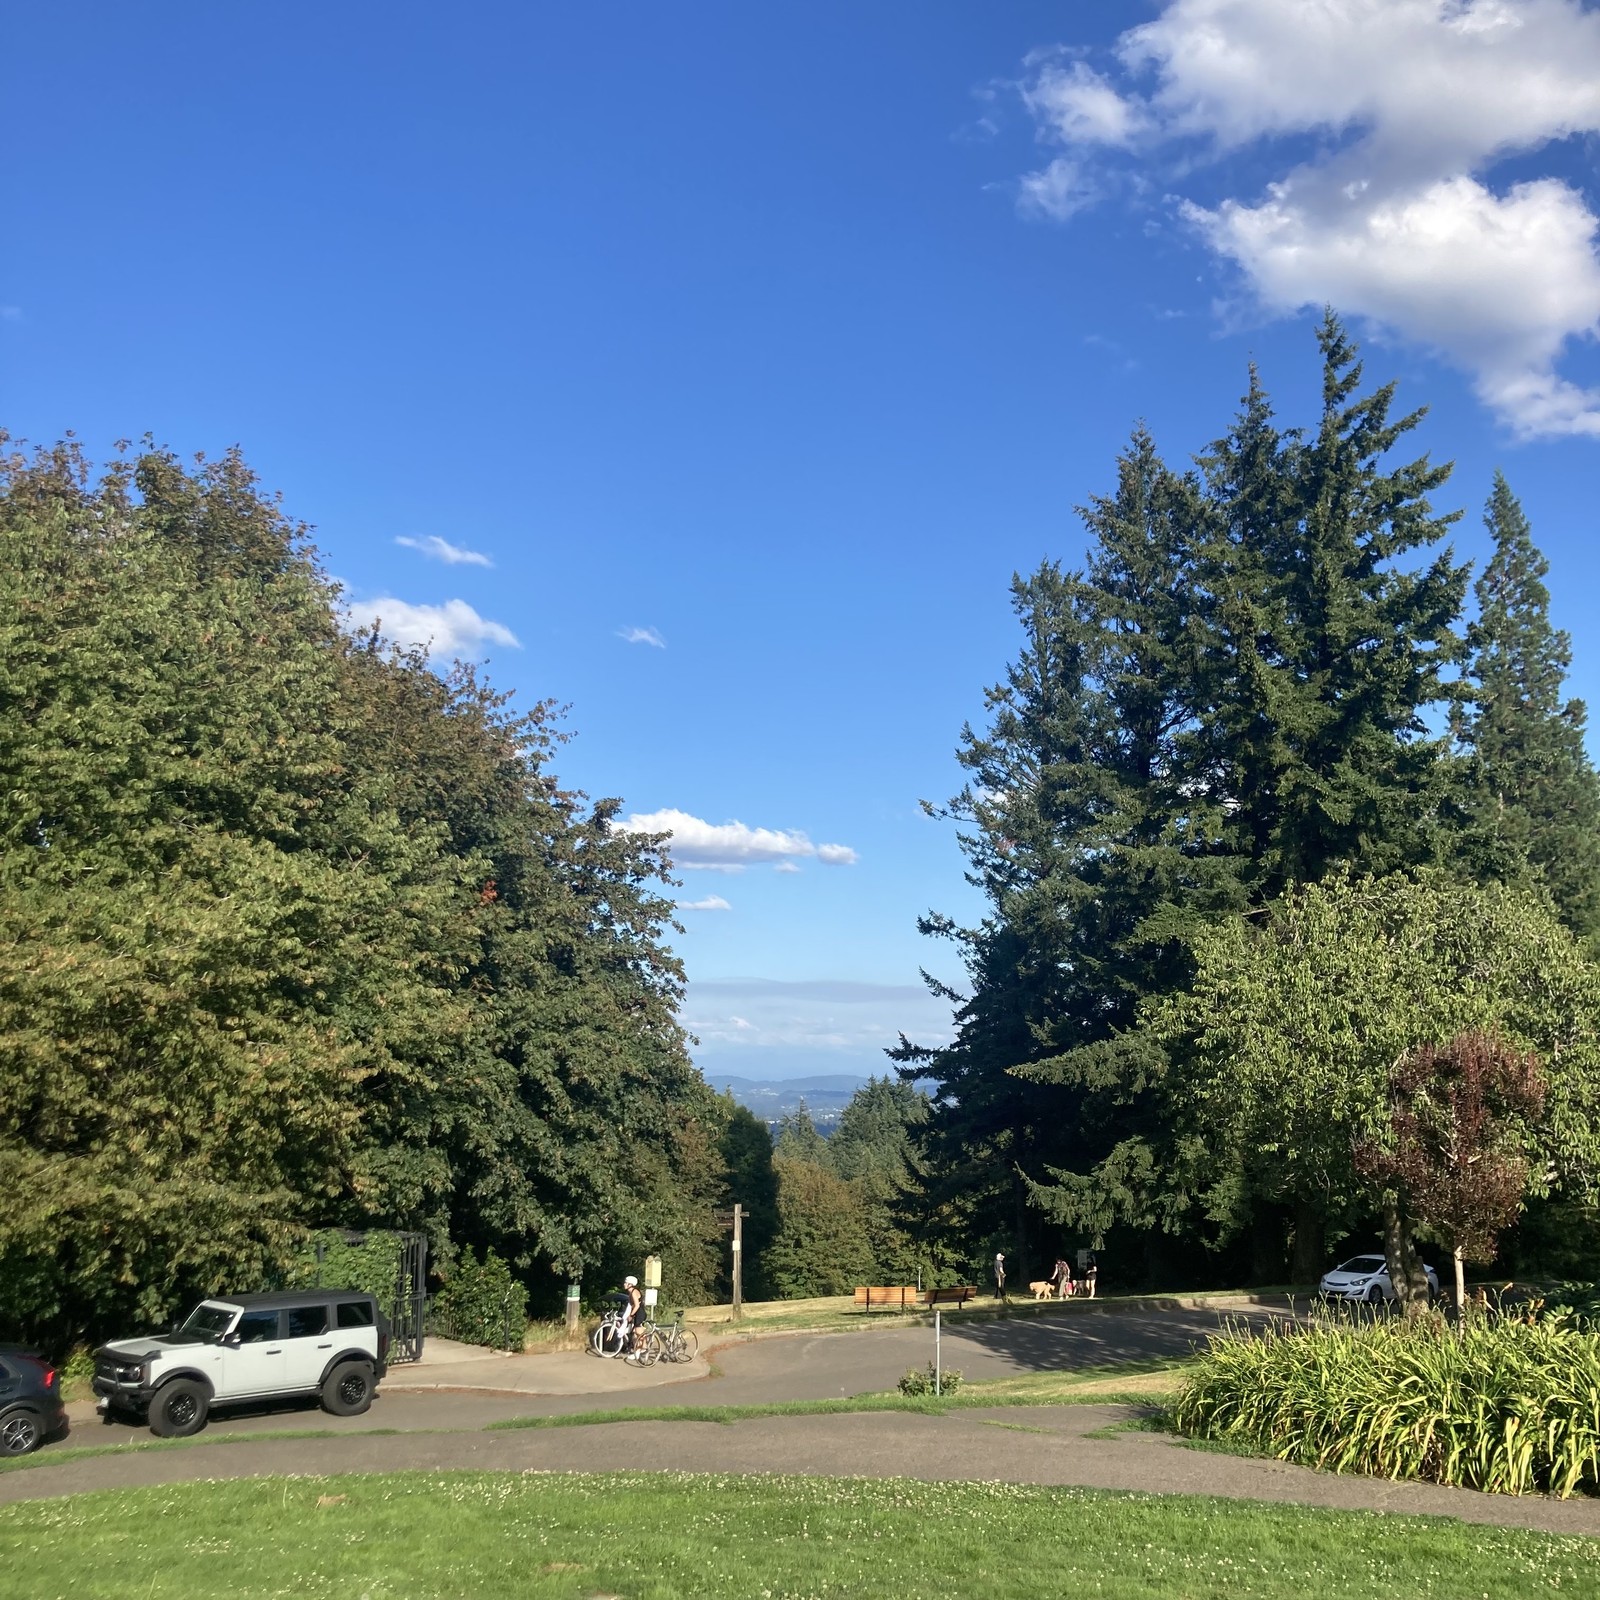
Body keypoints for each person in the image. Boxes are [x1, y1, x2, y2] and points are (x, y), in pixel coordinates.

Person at [618, 1274, 644, 1352]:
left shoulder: (633, 1292)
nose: (624, 1284)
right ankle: (640, 1349)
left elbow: (636, 1305)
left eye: (626, 1283)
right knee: (634, 1333)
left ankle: (642, 1349)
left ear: (630, 1284)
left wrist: (631, 1315)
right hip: (636, 1313)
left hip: (639, 1313)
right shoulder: (630, 1292)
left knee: (639, 1333)